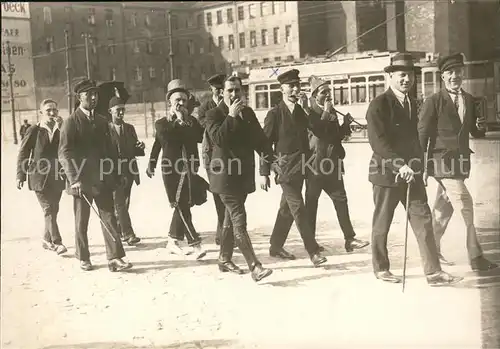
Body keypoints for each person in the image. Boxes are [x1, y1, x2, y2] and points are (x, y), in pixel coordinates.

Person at [366, 52, 463, 286]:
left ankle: (433, 272)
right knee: (382, 223)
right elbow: (378, 142)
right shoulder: (379, 105)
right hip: (387, 175)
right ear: (390, 77)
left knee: (424, 220)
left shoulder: (412, 102)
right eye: (401, 75)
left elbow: (416, 140)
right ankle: (381, 268)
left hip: (412, 174)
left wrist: (421, 167)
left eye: (409, 75)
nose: (406, 80)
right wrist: (400, 165)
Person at [417, 52, 498, 271]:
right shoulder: (433, 102)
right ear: (442, 77)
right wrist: (420, 166)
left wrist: (481, 126)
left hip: (460, 164)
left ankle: (431, 250)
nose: (455, 76)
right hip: (442, 163)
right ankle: (476, 257)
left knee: (444, 210)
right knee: (466, 205)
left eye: (458, 72)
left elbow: (475, 133)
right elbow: (422, 135)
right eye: (450, 72)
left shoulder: (470, 100)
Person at [58, 79, 132, 272]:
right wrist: (74, 179)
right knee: (81, 221)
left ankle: (115, 258)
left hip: (103, 180)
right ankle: (83, 257)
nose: (93, 98)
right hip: (81, 182)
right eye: (88, 94)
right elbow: (64, 153)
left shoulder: (101, 121)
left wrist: (116, 174)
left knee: (109, 217)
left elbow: (110, 151)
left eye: (95, 94)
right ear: (79, 97)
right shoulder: (71, 122)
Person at [205, 75, 273, 282]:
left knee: (228, 219)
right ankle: (255, 266)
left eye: (237, 90)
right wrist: (231, 117)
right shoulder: (213, 114)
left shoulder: (248, 113)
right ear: (222, 93)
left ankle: (224, 258)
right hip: (225, 178)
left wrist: (272, 160)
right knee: (238, 220)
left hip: (242, 177)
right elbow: (219, 140)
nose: (234, 95)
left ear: (242, 92)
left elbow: (260, 141)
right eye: (230, 91)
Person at [262, 69, 331, 267]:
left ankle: (275, 246)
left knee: (287, 209)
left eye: (297, 85)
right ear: (281, 88)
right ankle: (313, 251)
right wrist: (264, 172)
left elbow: (317, 129)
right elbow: (264, 144)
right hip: (284, 169)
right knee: (299, 208)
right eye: (290, 86)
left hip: (302, 168)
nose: (294, 89)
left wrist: (316, 109)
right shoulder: (274, 114)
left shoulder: (301, 111)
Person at [304, 76, 370, 252]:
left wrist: (345, 125)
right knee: (311, 205)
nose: (328, 95)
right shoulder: (309, 112)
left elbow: (336, 137)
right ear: (314, 95)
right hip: (314, 167)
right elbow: (319, 130)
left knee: (341, 200)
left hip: (332, 164)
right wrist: (326, 112)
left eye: (329, 92)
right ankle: (311, 244)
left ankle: (350, 239)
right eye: (323, 92)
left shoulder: (331, 112)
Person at [147, 79, 207, 259]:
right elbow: (162, 142)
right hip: (171, 169)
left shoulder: (192, 122)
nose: (180, 103)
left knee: (185, 205)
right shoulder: (162, 123)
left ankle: (172, 241)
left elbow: (198, 138)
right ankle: (196, 245)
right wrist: (151, 163)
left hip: (189, 168)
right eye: (176, 100)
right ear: (170, 103)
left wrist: (185, 122)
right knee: (181, 205)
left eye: (183, 100)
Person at [16, 99, 66, 255]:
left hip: (57, 176)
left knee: (54, 209)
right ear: (41, 113)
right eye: (48, 110)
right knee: (48, 208)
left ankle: (46, 239)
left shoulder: (61, 129)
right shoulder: (34, 130)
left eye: (54, 110)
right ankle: (57, 242)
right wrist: (20, 175)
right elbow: (23, 152)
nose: (52, 113)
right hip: (38, 177)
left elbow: (68, 149)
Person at [108, 96, 144, 246]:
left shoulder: (130, 128)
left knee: (124, 203)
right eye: (118, 110)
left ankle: (119, 232)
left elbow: (135, 150)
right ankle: (128, 234)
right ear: (110, 111)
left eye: (123, 110)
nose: (121, 113)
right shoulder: (105, 129)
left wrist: (140, 147)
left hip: (129, 170)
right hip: (113, 171)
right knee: (120, 203)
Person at [196, 73, 227, 246]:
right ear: (211, 90)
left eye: (221, 88)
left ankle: (223, 232)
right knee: (217, 193)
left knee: (226, 194)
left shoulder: (228, 105)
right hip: (211, 155)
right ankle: (220, 233)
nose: (219, 91)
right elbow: (205, 125)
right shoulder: (205, 107)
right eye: (216, 89)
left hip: (226, 155)